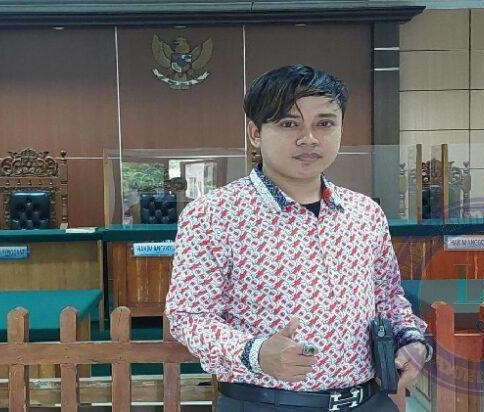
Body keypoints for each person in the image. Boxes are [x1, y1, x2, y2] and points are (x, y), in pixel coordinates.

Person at [165, 64, 431, 411]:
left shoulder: (364, 213)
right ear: (255, 133)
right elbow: (189, 317)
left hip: (368, 401)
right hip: (267, 403)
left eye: (324, 123)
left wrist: (411, 340)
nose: (309, 138)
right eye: (289, 124)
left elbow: (388, 298)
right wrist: (255, 352)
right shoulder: (214, 215)